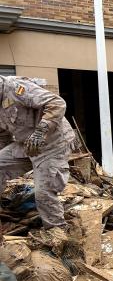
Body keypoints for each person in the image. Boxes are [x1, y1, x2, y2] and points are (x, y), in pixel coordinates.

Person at [0, 76, 75, 230]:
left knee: (43, 192)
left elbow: (57, 103)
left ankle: (57, 232)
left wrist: (40, 132)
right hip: (26, 144)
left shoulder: (16, 88)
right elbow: (2, 134)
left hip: (52, 145)